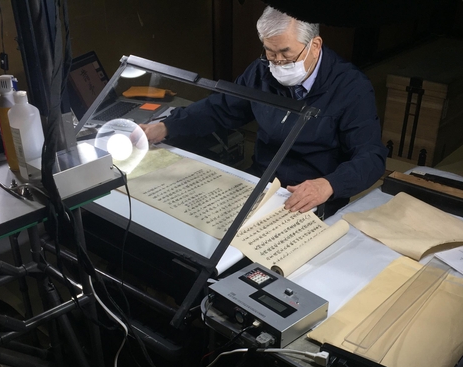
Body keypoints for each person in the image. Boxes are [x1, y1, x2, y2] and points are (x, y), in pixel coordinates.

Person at [141, 7, 387, 217]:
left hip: (311, 196)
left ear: (315, 46)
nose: (277, 63)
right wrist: (166, 127)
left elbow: (371, 156)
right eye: (270, 52)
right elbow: (222, 107)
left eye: (286, 54)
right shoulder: (262, 71)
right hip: (260, 182)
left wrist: (329, 185)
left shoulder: (351, 87)